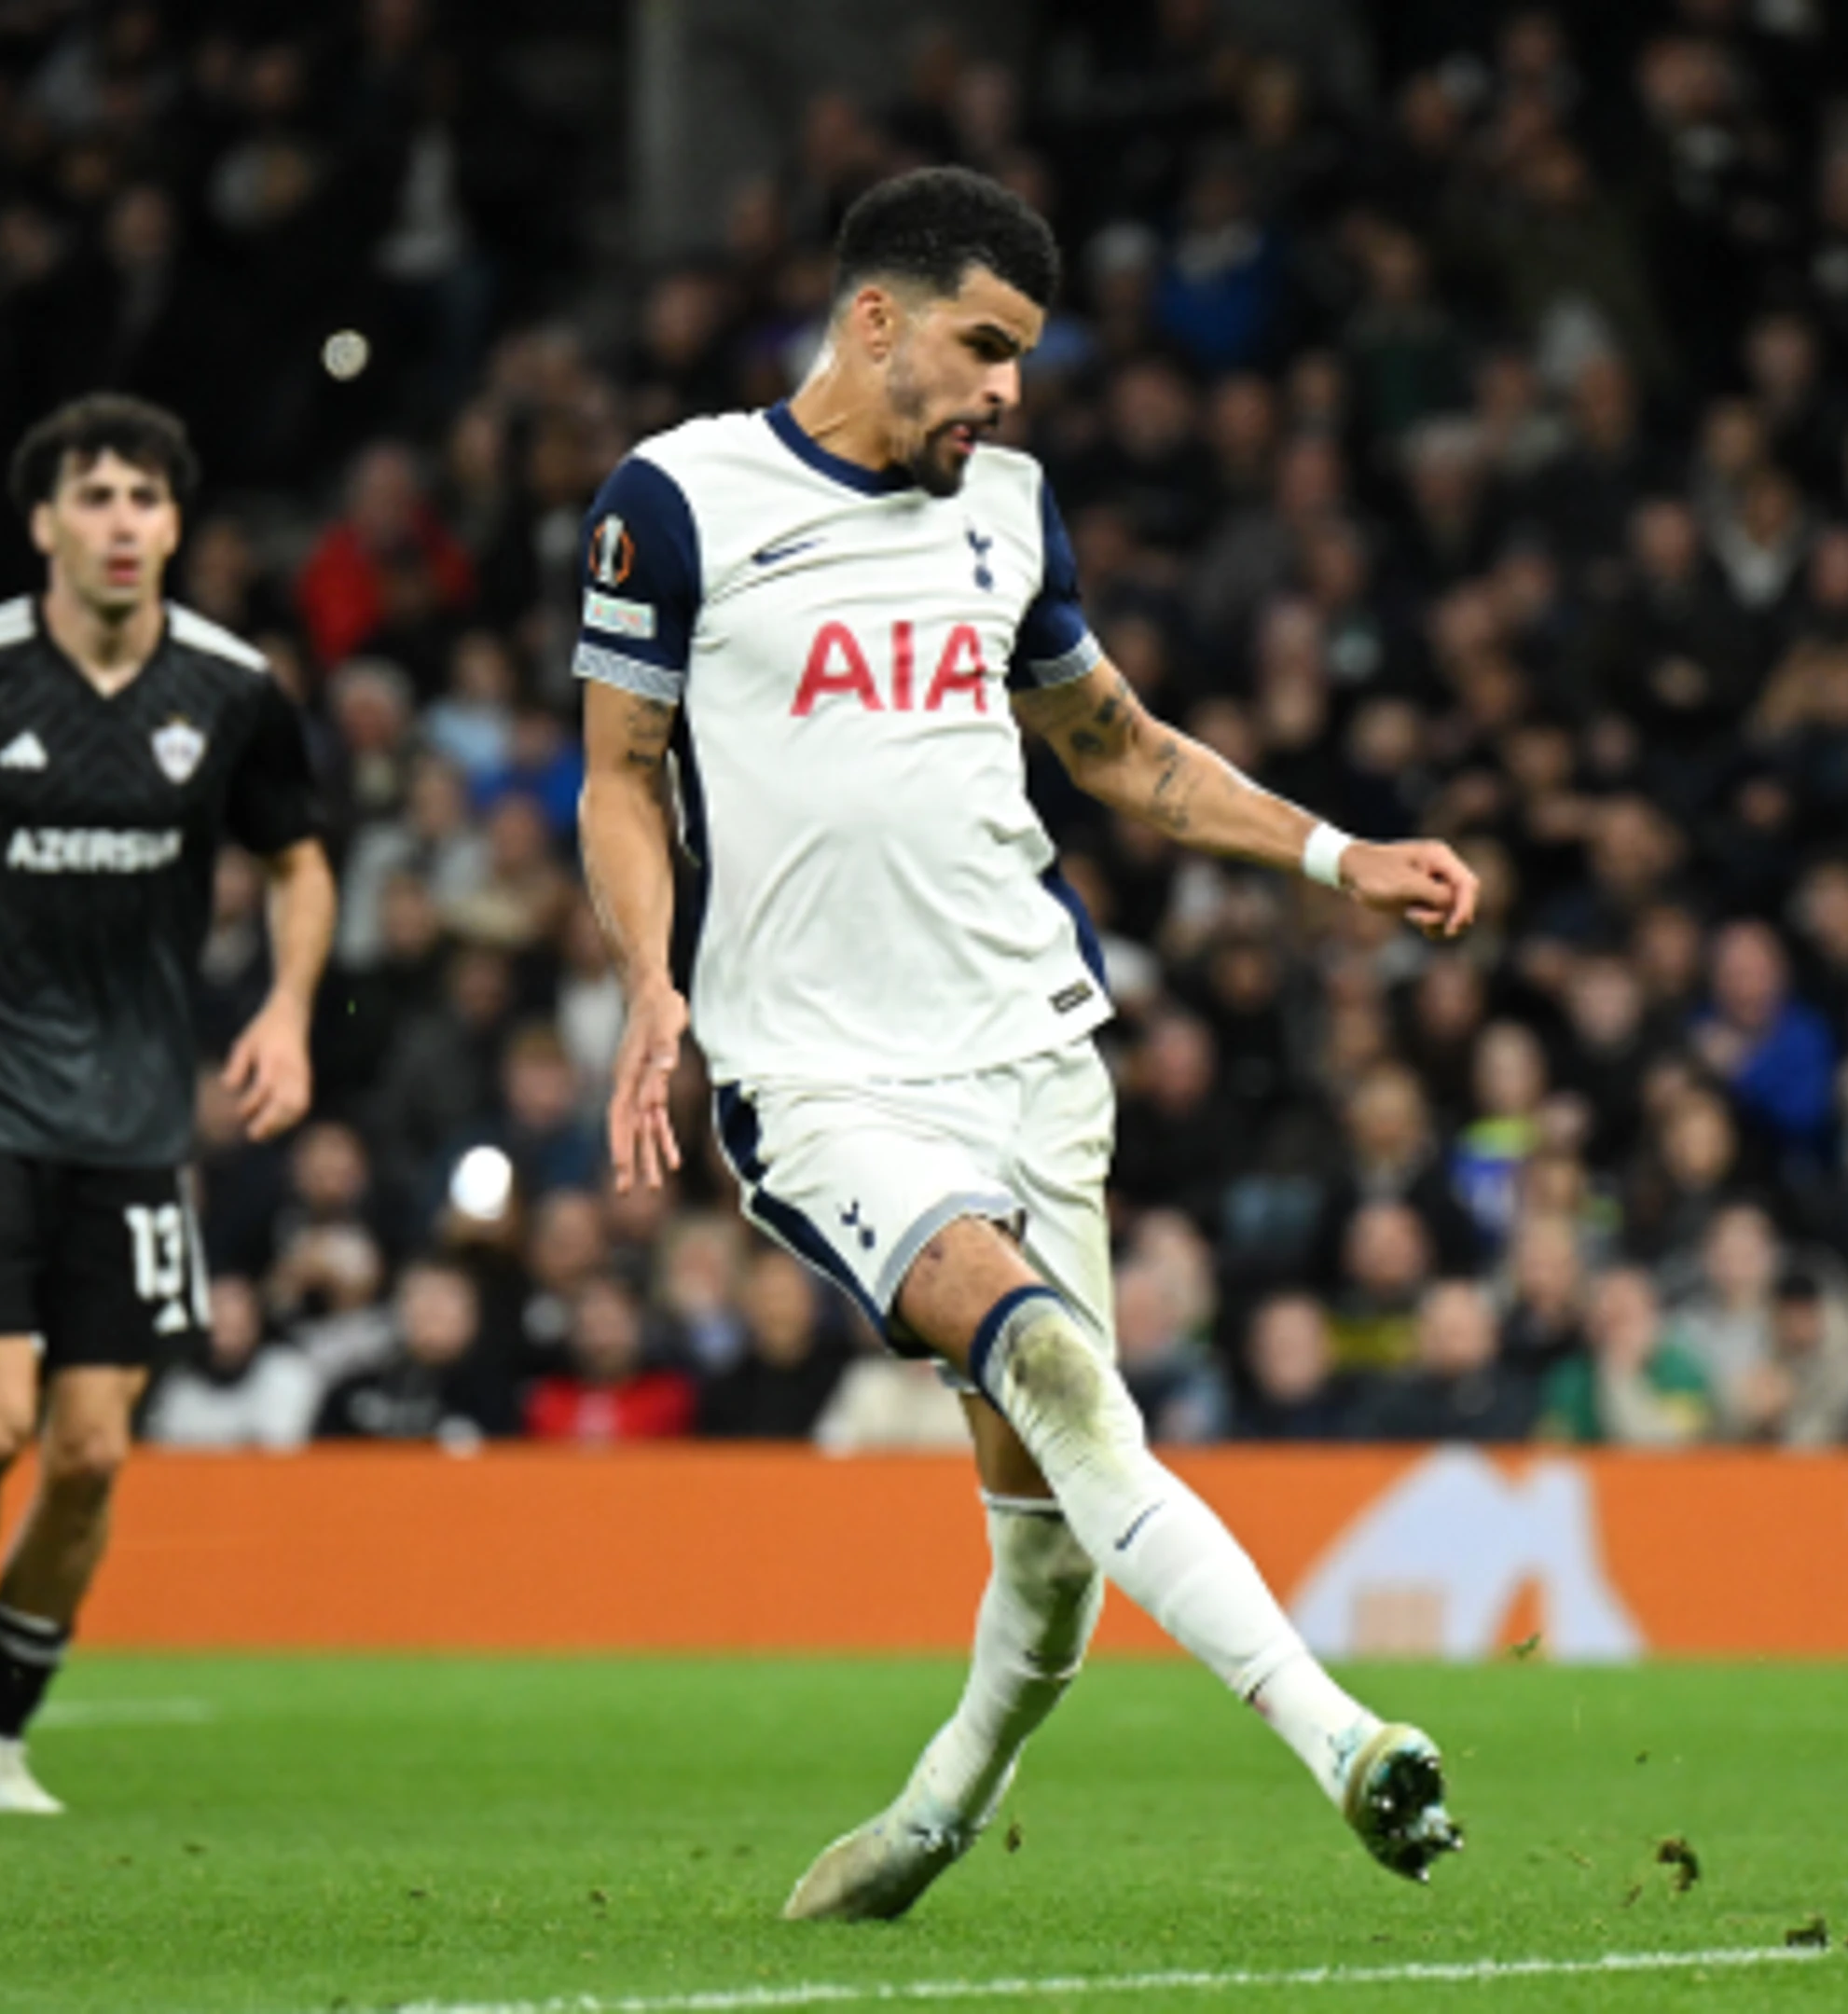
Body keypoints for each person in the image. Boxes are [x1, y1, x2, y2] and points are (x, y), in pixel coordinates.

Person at [572, 166, 1475, 1920]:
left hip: (1032, 1051)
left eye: (1024, 361)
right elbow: (619, 774)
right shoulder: (676, 501)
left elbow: (1117, 748)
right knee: (1059, 1373)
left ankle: (931, 1818)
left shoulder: (1009, 509)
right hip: (823, 1079)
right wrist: (648, 980)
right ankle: (1346, 1740)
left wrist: (1335, 854)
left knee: (1054, 1543)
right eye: (985, 348)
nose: (1005, 391)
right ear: (876, 321)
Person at [0, 393, 331, 1815]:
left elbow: (299, 860)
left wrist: (288, 1009)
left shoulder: (231, 688)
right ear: (44, 523)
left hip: (138, 1120)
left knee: (90, 1451)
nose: (121, 523)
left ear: (176, 525)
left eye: (145, 500)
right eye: (94, 497)